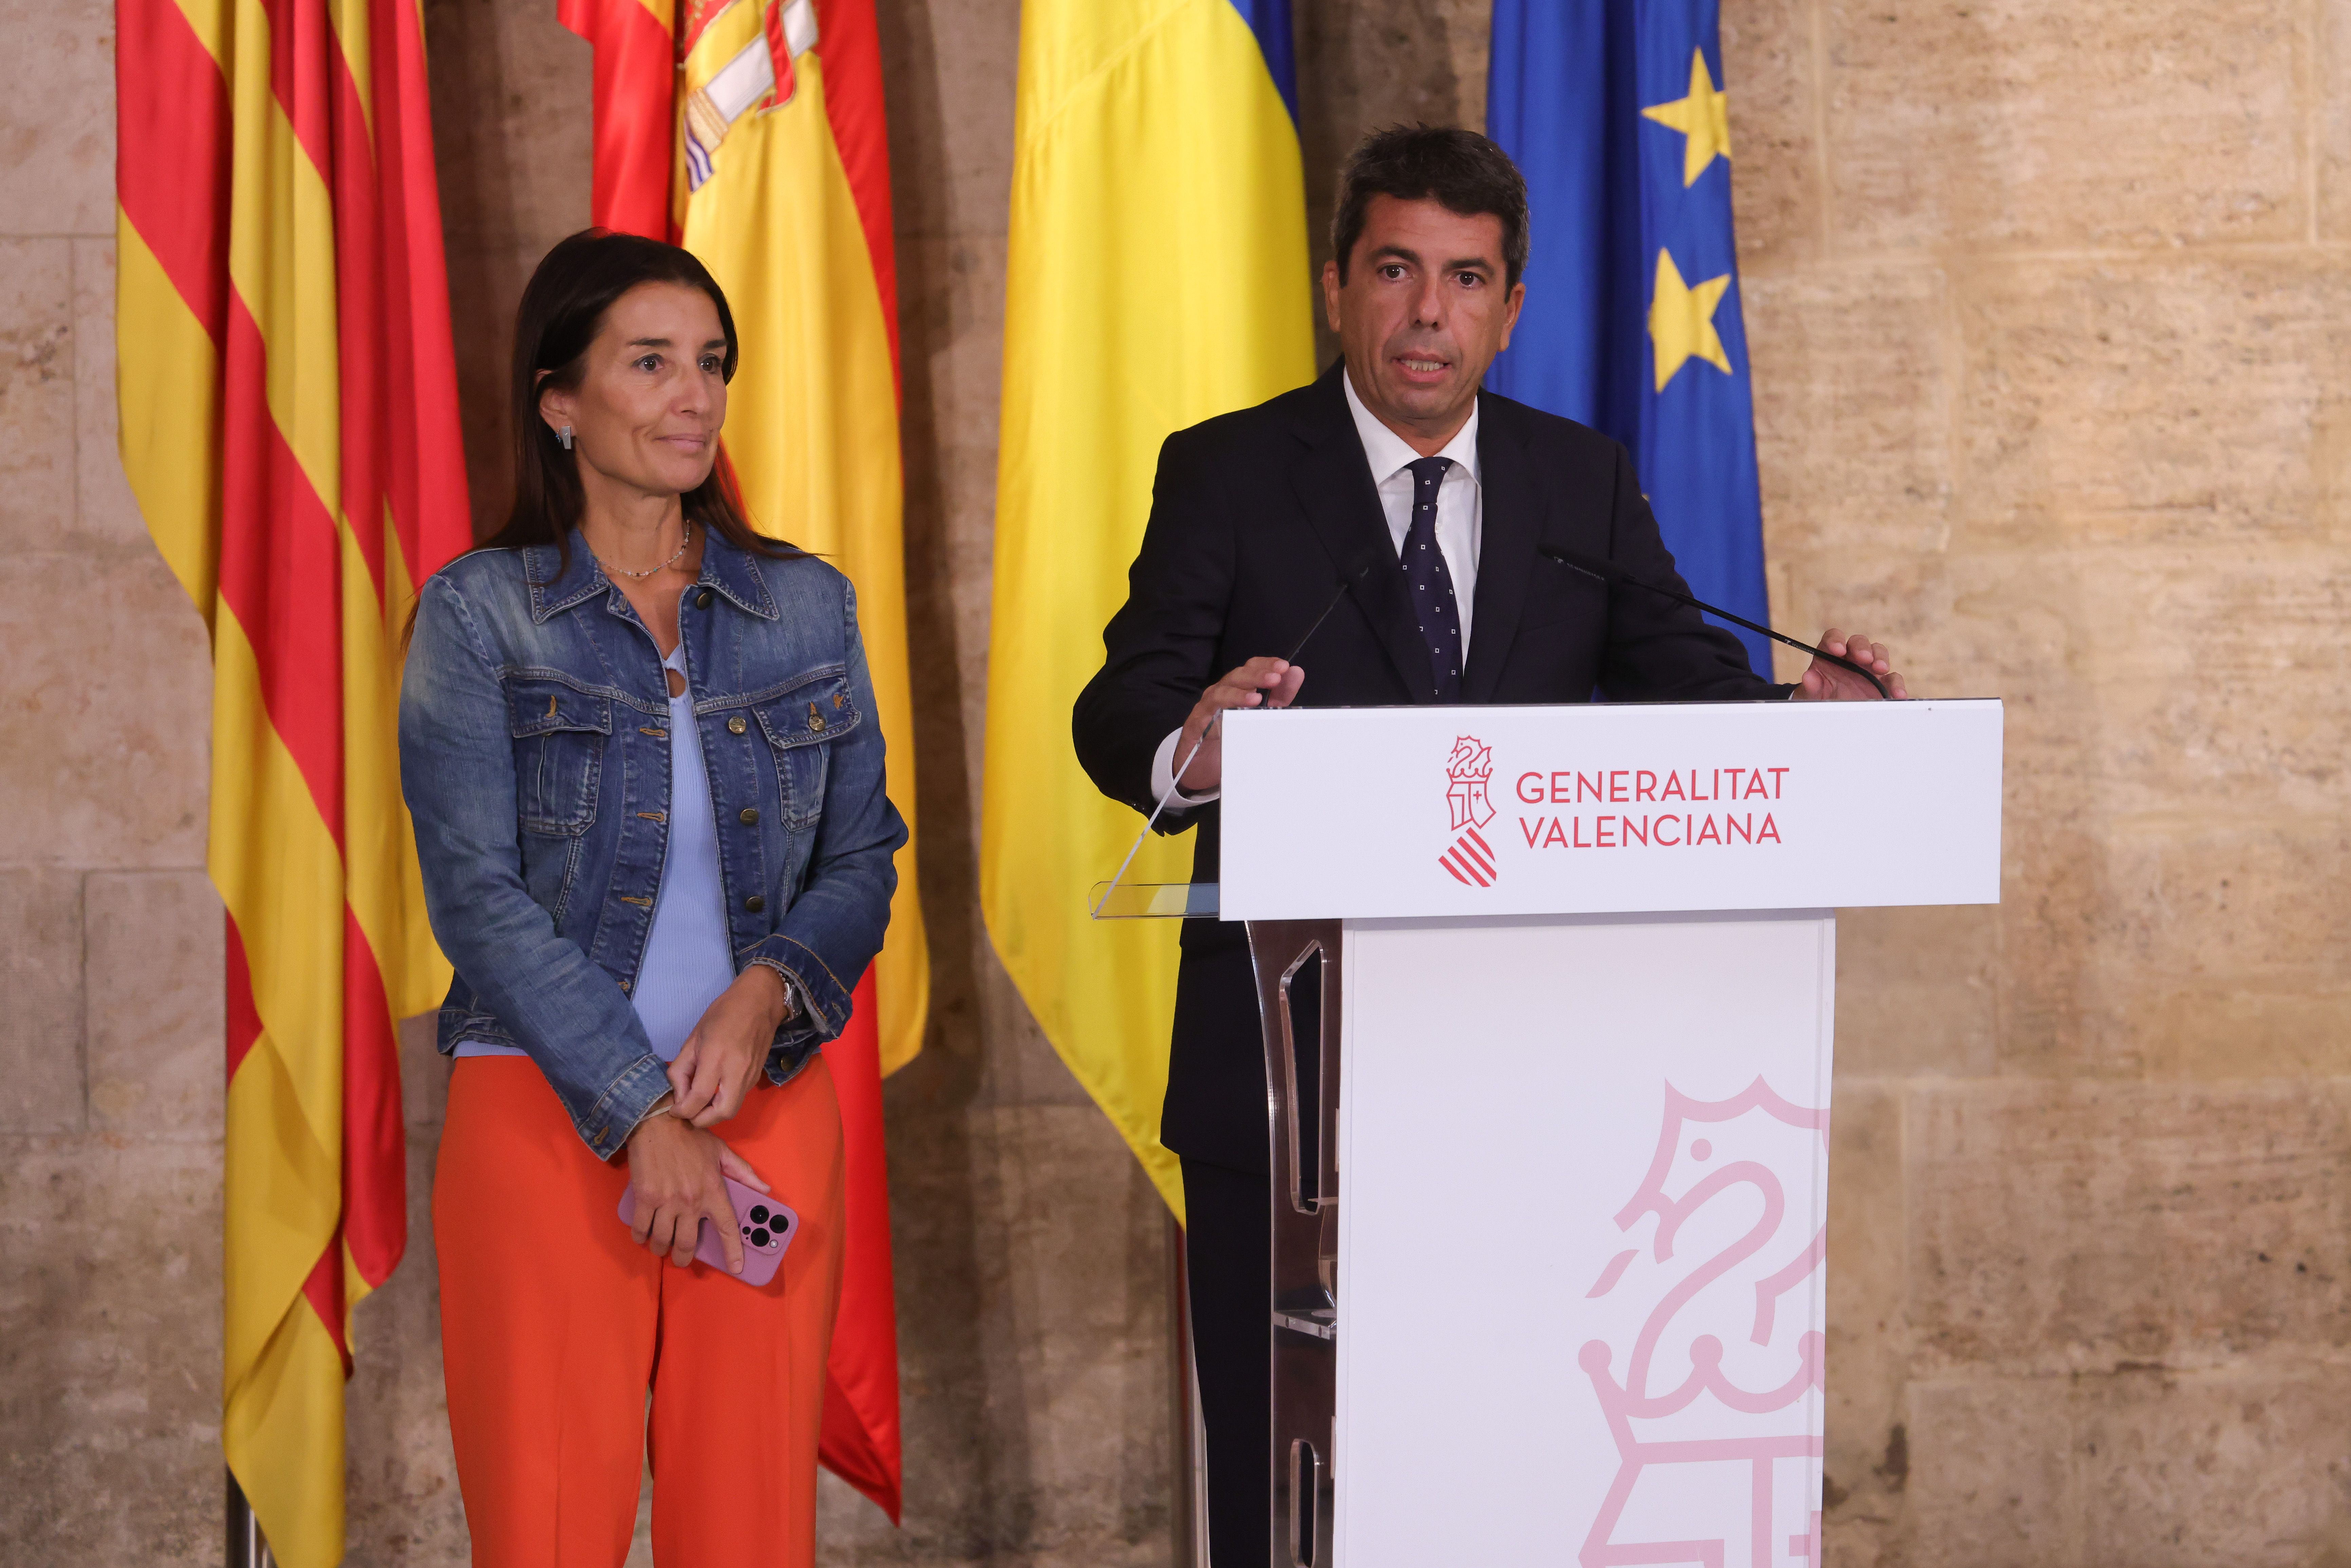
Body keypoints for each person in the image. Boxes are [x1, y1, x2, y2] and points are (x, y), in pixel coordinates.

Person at [1071, 126, 1908, 1567]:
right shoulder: (1226, 470)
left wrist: (1795, 713)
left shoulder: (1576, 481)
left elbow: (1679, 683)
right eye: (1396, 271)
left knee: (1505, 1480)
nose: (1427, 313)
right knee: (1295, 1506)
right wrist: (1191, 744)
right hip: (1292, 1089)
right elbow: (1118, 707)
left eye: (1465, 280)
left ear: (1509, 307)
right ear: (1338, 286)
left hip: (1526, 1090)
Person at [399, 229, 905, 1568]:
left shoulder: (806, 608)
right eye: (651, 362)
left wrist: (764, 992)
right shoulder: (477, 616)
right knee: (548, 1531)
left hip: (766, 1115)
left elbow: (864, 859)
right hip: (541, 1120)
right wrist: (636, 1115)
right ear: (560, 399)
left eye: (712, 364)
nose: (693, 396)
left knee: (747, 1536)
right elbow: (476, 898)